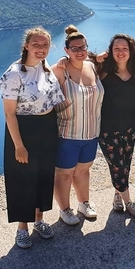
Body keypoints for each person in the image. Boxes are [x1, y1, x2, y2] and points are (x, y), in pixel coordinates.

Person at [0, 27, 65, 249]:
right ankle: (22, 228)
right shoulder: (14, 73)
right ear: (26, 45)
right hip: (24, 130)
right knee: (23, 179)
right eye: (36, 44)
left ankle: (39, 220)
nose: (41, 49)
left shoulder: (46, 69)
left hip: (47, 127)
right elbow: (9, 113)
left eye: (45, 45)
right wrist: (19, 145)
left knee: (44, 176)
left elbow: (56, 102)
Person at [51, 26, 104, 225]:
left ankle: (84, 203)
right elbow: (38, 78)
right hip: (68, 133)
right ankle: (65, 209)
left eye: (83, 47)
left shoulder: (92, 66)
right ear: (67, 50)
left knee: (83, 171)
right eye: (75, 48)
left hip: (91, 132)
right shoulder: (59, 70)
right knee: (64, 174)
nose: (80, 51)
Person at [98, 34, 135, 218]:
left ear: (131, 51)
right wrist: (96, 58)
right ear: (110, 51)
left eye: (124, 48)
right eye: (116, 48)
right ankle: (129, 203)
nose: (120, 52)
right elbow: (79, 62)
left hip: (130, 126)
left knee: (124, 165)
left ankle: (117, 196)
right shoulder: (103, 71)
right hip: (107, 129)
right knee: (117, 166)